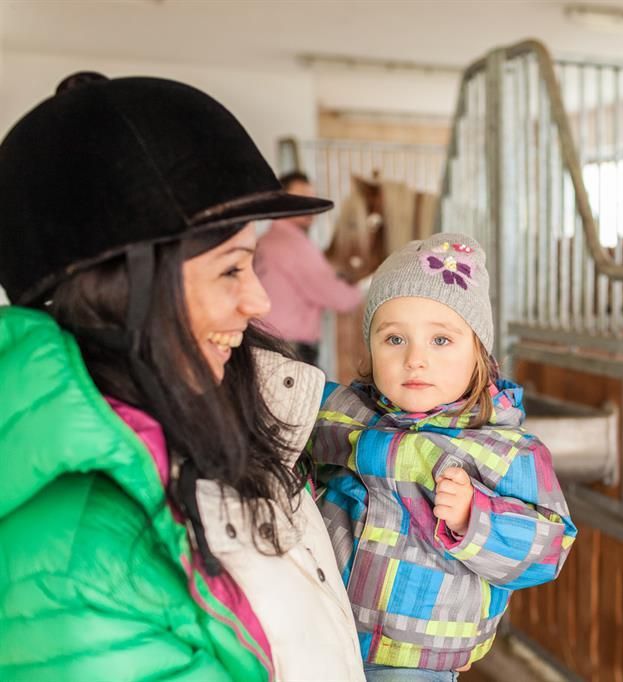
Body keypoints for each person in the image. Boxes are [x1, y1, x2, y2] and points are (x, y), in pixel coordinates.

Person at [0, 72, 364, 680]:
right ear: (123, 294)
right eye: (230, 270)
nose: (259, 301)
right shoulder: (81, 565)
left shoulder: (233, 419)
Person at [311, 233, 576, 680]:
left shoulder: (506, 451)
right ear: (370, 347)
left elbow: (549, 548)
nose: (415, 359)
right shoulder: (343, 413)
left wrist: (475, 516)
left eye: (440, 340)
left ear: (478, 353)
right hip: (322, 633)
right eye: (395, 339)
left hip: (413, 660)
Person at [256, 170, 363, 366]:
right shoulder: (294, 245)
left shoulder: (264, 241)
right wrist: (360, 289)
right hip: (288, 351)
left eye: (311, 199)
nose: (310, 207)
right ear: (281, 202)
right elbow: (339, 298)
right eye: (301, 199)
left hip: (263, 345)